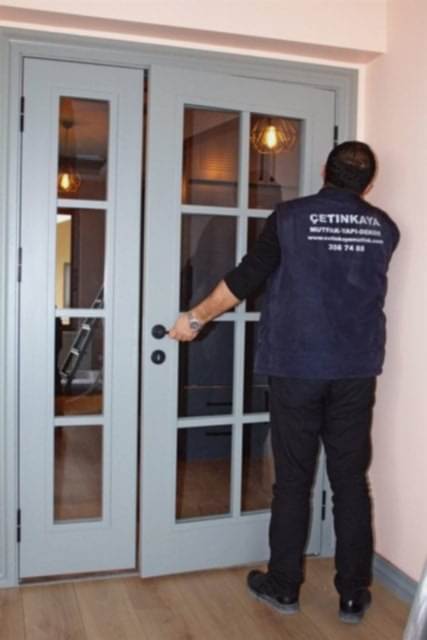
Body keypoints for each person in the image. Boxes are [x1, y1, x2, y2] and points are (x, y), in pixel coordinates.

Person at [169, 141, 400, 624]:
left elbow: (245, 279)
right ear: (368, 184)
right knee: (350, 482)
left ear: (324, 171)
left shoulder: (290, 218)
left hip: (297, 366)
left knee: (293, 480)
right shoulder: (384, 227)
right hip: (355, 370)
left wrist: (195, 318)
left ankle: (284, 586)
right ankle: (353, 595)